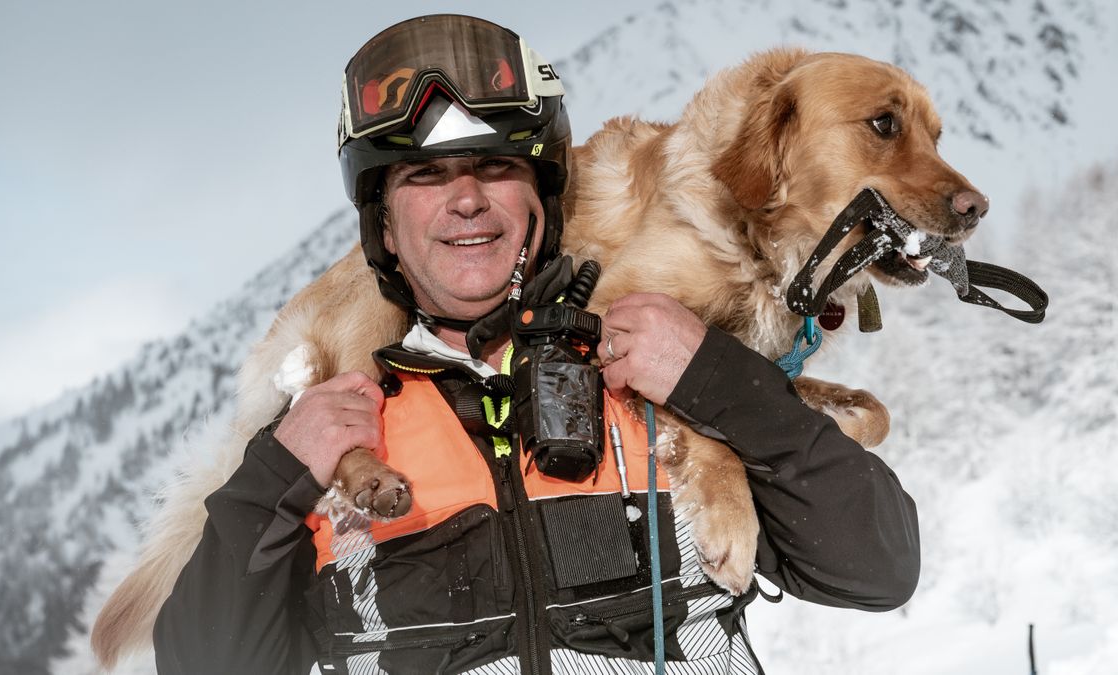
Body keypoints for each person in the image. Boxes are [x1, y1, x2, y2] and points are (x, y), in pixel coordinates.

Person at [153, 14, 920, 674]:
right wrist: (278, 469)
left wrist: (718, 380)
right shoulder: (338, 433)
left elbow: (877, 563)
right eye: (424, 175)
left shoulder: (658, 371)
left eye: (494, 166)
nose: (464, 200)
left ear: (543, 200)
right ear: (384, 225)